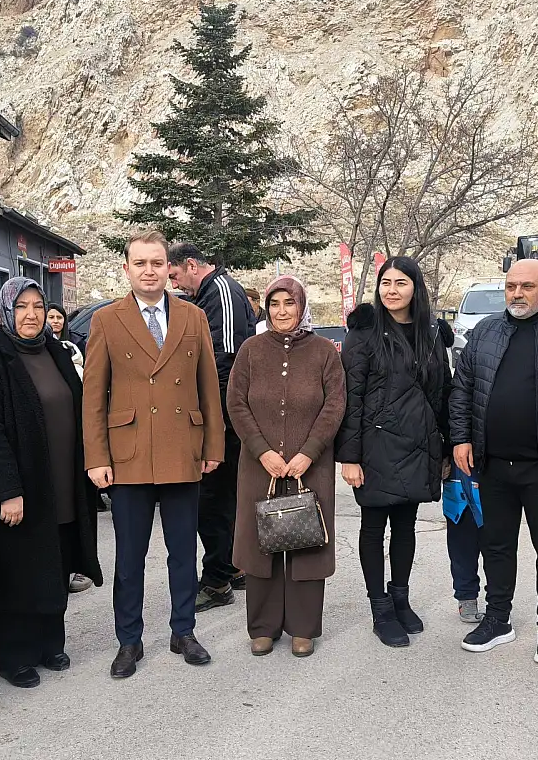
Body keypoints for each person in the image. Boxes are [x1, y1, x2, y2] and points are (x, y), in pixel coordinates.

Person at [82, 231, 225, 679]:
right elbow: (93, 397)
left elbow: (208, 387)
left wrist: (213, 446)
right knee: (130, 558)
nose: (149, 271)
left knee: (183, 552)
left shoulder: (193, 316)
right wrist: (96, 457)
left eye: (157, 263)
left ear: (169, 269)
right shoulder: (106, 320)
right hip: (128, 454)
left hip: (182, 449)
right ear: (126, 269)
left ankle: (184, 630)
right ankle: (129, 640)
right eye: (140, 263)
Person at [0, 278, 102, 689]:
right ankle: (14, 654)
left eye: (38, 306)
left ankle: (49, 643)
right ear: (6, 311)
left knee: (56, 564)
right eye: (21, 307)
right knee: (20, 571)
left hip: (62, 482)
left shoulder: (55, 351)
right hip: (22, 490)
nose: (31, 314)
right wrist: (8, 491)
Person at [450, 259, 538, 665]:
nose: (517, 294)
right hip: (492, 464)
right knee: (496, 546)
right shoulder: (486, 331)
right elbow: (462, 388)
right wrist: (460, 437)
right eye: (511, 286)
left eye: (527, 286)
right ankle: (498, 618)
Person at [335, 257, 452, 648]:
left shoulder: (431, 334)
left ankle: (401, 598)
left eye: (401, 283)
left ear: (415, 288)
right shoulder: (364, 333)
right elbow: (350, 398)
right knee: (373, 528)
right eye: (386, 282)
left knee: (406, 526)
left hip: (419, 445)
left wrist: (446, 448)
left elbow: (443, 394)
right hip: (375, 448)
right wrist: (349, 457)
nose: (391, 290)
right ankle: (380, 609)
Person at [227, 276, 345, 657]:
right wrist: (262, 451)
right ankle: (263, 625)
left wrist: (309, 452)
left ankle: (303, 627)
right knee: (260, 543)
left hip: (309, 466)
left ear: (301, 306)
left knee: (306, 540)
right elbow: (236, 404)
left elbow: (334, 405)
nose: (281, 311)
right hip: (260, 466)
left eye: (289, 303)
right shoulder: (251, 350)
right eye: (274, 304)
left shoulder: (324, 352)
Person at [167, 242, 255, 612]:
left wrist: (209, 418)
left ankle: (218, 580)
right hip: (219, 415)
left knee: (213, 501)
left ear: (191, 265)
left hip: (222, 418)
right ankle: (234, 566)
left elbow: (226, 360)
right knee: (223, 499)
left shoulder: (221, 292)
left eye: (174, 275)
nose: (174, 284)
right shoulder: (207, 294)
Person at [443, 462, 485, 625]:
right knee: (462, 548)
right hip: (459, 476)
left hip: (496, 471)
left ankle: (497, 602)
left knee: (497, 550)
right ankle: (466, 597)